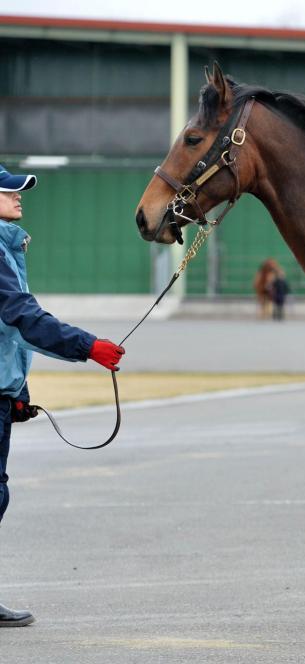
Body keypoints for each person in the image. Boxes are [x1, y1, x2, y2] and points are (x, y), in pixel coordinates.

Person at [0, 164, 125, 627]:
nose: (19, 195)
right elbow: (23, 316)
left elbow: (14, 332)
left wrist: (17, 391)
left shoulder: (7, 247)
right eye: (9, 190)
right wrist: (88, 346)